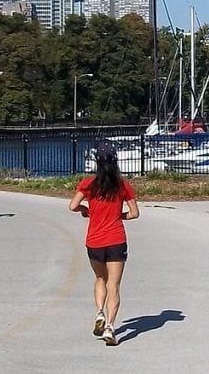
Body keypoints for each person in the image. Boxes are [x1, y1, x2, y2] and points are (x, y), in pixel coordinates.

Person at [69, 143, 139, 346]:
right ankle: (109, 326)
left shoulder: (89, 183)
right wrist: (119, 215)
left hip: (95, 241)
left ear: (97, 161)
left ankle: (99, 312)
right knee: (114, 285)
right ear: (115, 161)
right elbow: (135, 213)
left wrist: (85, 209)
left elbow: (72, 206)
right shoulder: (122, 185)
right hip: (116, 239)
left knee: (100, 278)